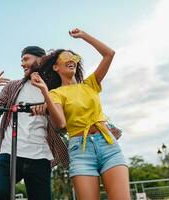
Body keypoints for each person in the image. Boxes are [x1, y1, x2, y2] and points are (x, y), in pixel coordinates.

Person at [31, 28, 131, 200]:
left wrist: (84, 36)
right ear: (56, 67)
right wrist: (45, 92)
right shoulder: (56, 94)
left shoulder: (90, 84)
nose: (71, 59)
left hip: (108, 145)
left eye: (74, 57)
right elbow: (61, 123)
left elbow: (109, 54)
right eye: (65, 57)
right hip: (80, 150)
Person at [0, 46, 69, 200]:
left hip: (40, 156)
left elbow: (62, 123)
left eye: (26, 59)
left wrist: (48, 106)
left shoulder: (54, 88)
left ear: (41, 59)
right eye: (21, 60)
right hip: (10, 153)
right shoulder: (13, 86)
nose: (22, 64)